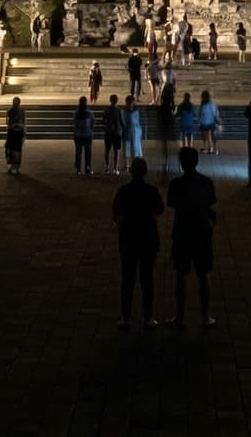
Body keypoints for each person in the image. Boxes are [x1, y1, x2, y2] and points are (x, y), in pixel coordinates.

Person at [167, 147, 218, 329]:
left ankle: (180, 316)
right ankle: (205, 316)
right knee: (203, 274)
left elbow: (172, 204)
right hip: (201, 230)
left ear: (182, 163)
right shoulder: (206, 182)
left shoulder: (176, 184)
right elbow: (209, 204)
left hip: (182, 230)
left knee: (181, 274)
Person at [112, 156, 165, 329]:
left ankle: (125, 316)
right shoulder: (151, 191)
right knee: (147, 278)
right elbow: (159, 210)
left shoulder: (123, 191)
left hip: (128, 238)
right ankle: (148, 317)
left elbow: (116, 213)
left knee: (128, 278)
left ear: (131, 171)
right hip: (148, 237)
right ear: (145, 172)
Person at [103, 94, 126, 176]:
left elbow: (103, 121)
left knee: (107, 150)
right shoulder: (120, 111)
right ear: (117, 101)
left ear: (110, 100)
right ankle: (115, 169)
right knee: (116, 151)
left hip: (108, 132)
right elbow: (122, 122)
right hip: (117, 133)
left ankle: (107, 168)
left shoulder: (107, 110)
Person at [4, 95, 26, 175]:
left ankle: (12, 167)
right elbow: (23, 123)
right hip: (16, 132)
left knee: (12, 150)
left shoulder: (10, 111)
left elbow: (7, 122)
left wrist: (14, 125)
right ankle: (15, 168)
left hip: (13, 132)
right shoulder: (19, 111)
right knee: (15, 150)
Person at [72, 97, 94, 175]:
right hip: (87, 135)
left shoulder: (76, 113)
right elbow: (92, 123)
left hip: (78, 135)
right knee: (88, 153)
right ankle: (87, 168)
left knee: (78, 153)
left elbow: (75, 125)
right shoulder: (90, 113)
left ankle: (78, 169)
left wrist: (74, 134)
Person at [126, 87, 146, 164]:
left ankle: (134, 162)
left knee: (135, 147)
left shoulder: (132, 111)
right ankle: (132, 162)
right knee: (134, 147)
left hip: (134, 131)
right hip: (134, 130)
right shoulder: (134, 111)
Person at [198, 90, 220, 155]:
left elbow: (200, 113)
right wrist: (218, 122)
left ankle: (206, 148)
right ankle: (212, 148)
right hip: (211, 123)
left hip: (204, 123)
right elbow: (215, 113)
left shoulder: (202, 104)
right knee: (210, 135)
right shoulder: (211, 104)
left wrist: (199, 122)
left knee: (205, 135)